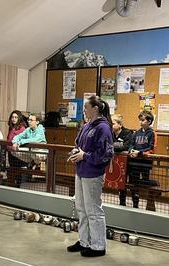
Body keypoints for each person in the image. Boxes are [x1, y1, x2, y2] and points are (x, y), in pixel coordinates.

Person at [66, 95, 113, 257]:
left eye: (86, 107)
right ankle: (84, 241)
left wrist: (85, 156)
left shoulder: (103, 128)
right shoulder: (86, 126)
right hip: (81, 172)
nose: (84, 110)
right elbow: (78, 144)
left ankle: (99, 245)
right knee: (81, 207)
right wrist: (75, 152)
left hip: (93, 173)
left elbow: (106, 154)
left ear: (95, 109)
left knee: (93, 209)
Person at [124, 110, 157, 208]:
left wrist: (140, 152)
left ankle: (149, 204)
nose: (140, 122)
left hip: (145, 162)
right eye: (140, 120)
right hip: (135, 162)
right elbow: (131, 144)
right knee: (134, 183)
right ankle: (135, 204)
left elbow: (151, 147)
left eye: (143, 120)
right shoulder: (136, 133)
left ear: (149, 121)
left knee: (145, 183)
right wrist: (131, 150)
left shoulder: (152, 133)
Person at [111, 114, 133, 206]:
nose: (110, 125)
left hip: (128, 163)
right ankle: (122, 203)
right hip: (116, 162)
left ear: (120, 125)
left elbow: (126, 146)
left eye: (113, 123)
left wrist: (112, 145)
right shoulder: (110, 133)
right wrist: (117, 146)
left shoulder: (127, 133)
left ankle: (135, 204)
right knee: (121, 184)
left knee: (132, 184)